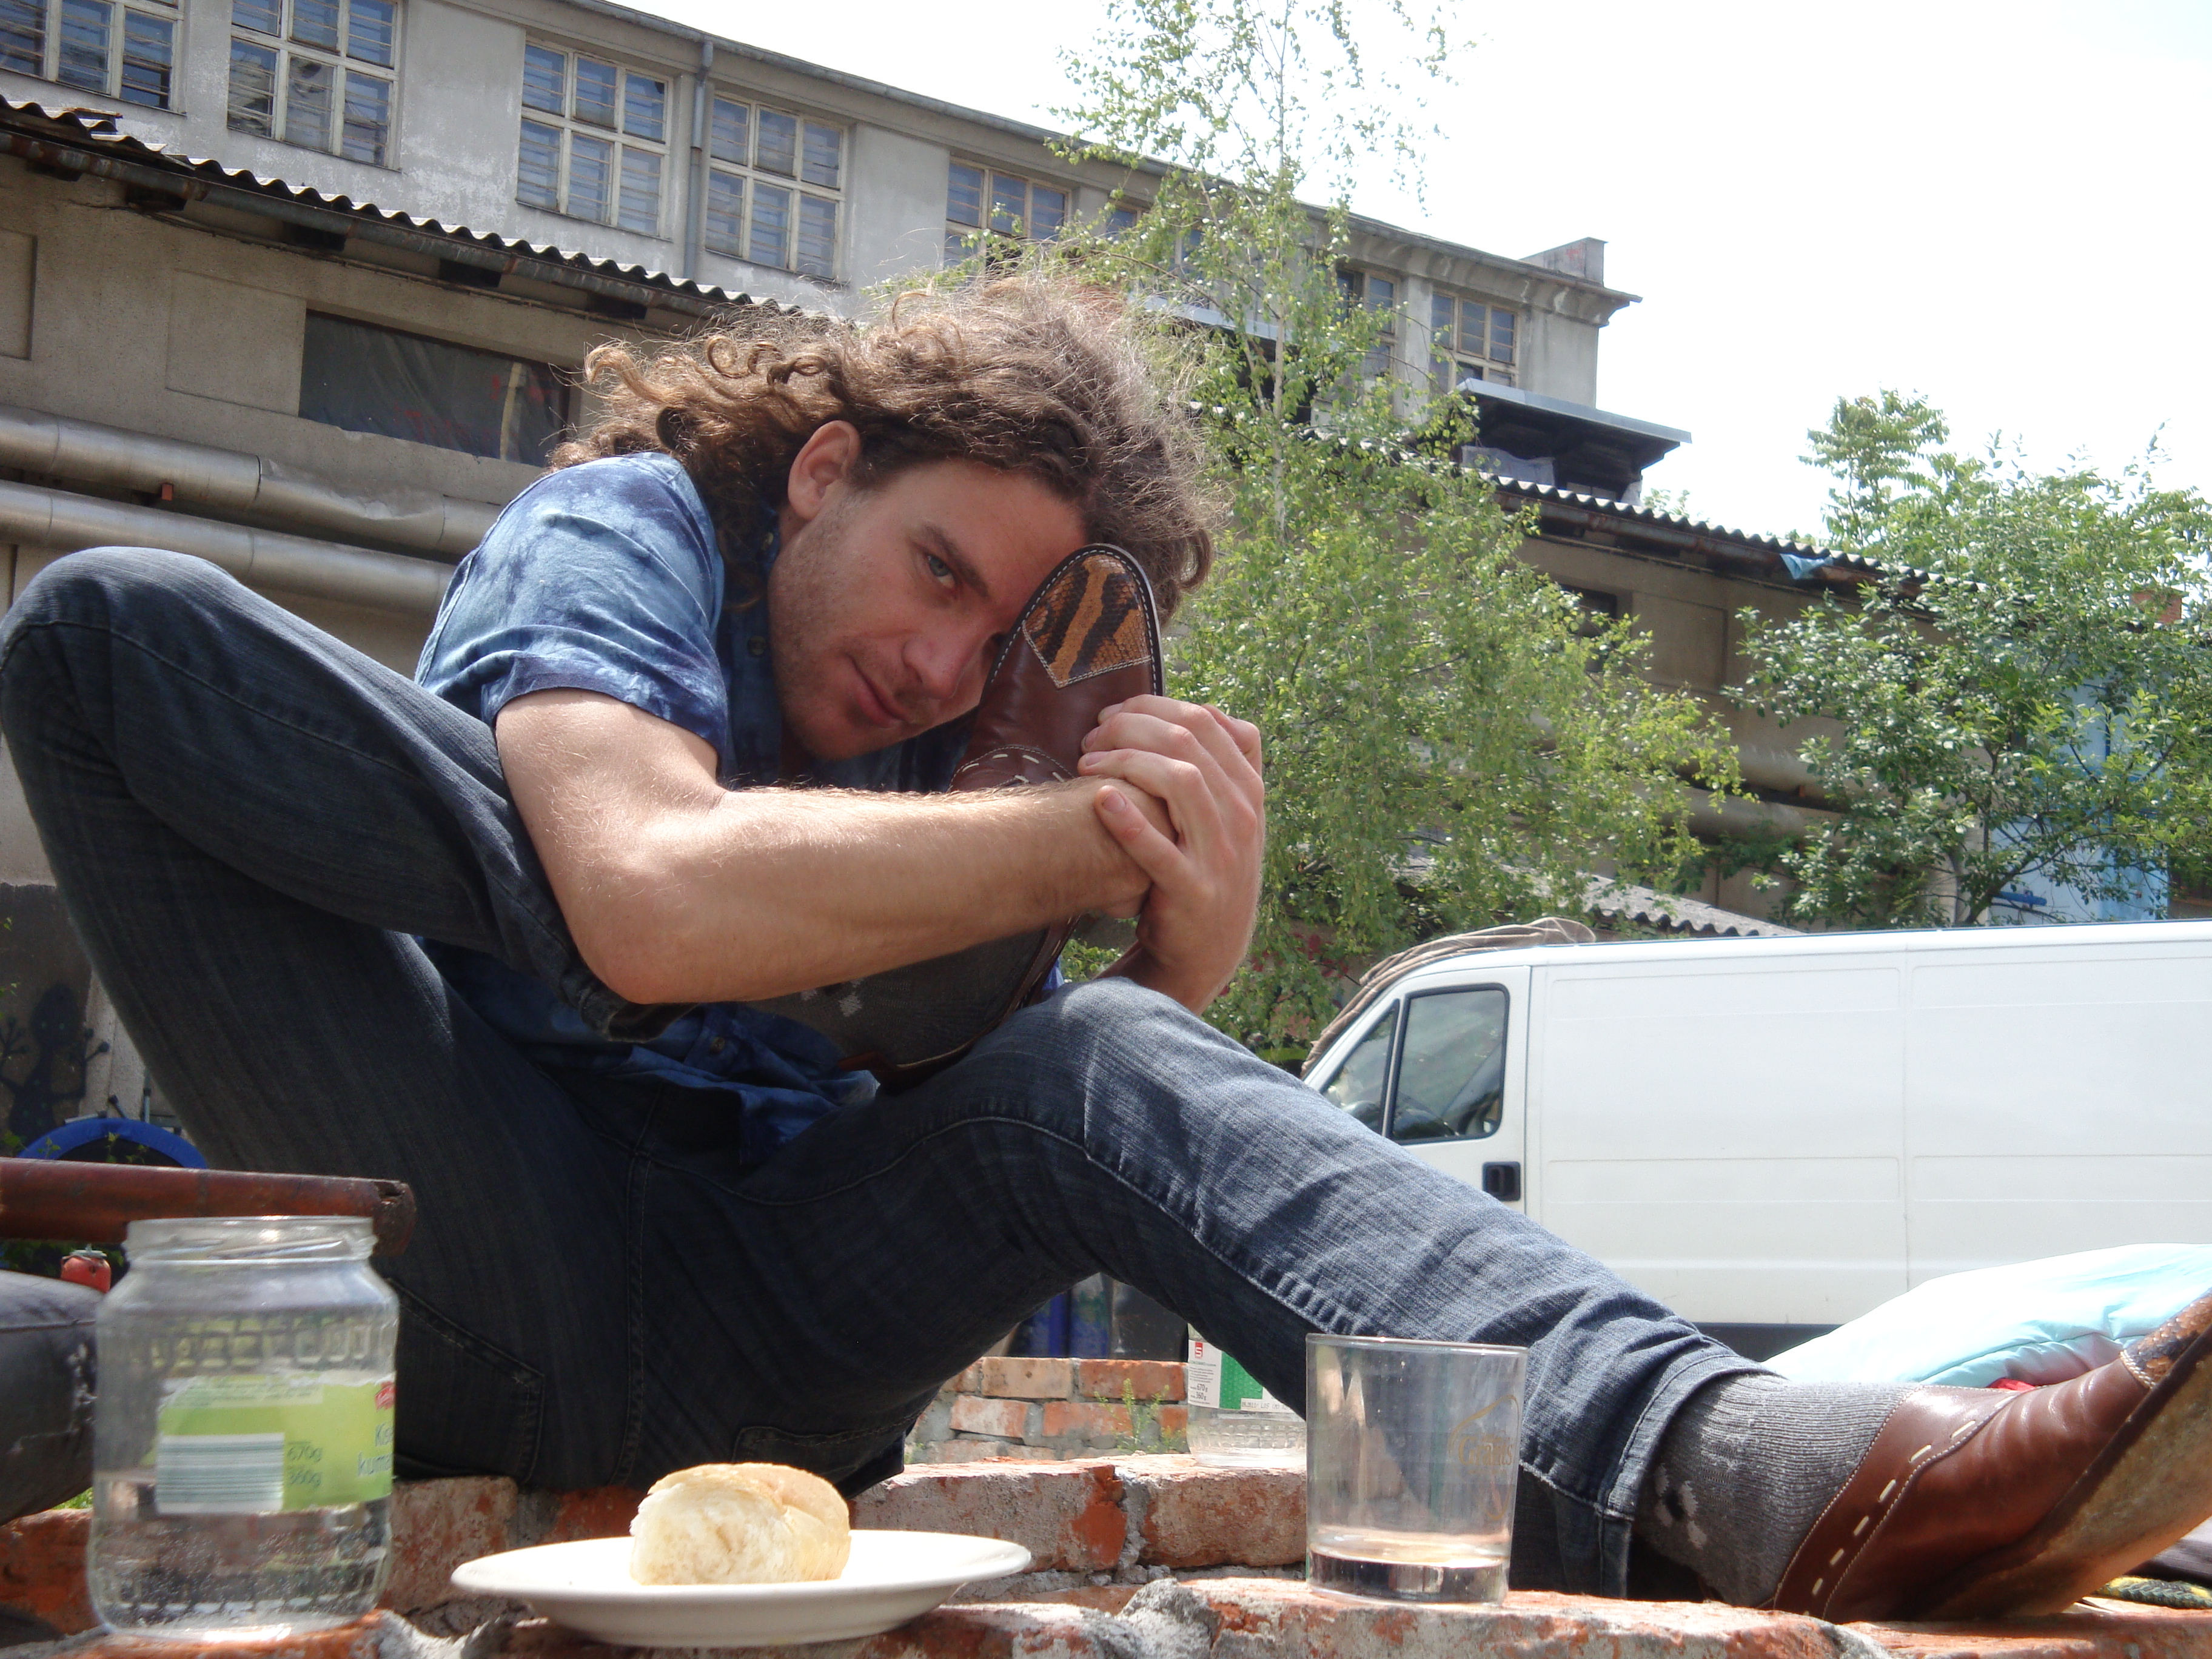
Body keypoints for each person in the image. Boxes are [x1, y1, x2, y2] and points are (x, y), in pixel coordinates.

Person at [5, 278, 2211, 1621]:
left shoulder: (952, 744)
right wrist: (1062, 842)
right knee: (115, 628)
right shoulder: (632, 532)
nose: (946, 665)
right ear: (822, 471)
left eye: (1004, 638)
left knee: (1082, 1062)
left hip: (775, 1349)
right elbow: (654, 897)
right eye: (937, 572)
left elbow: (1046, 1153)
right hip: (484, 1269)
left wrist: (1174, 965)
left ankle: (1763, 1475)